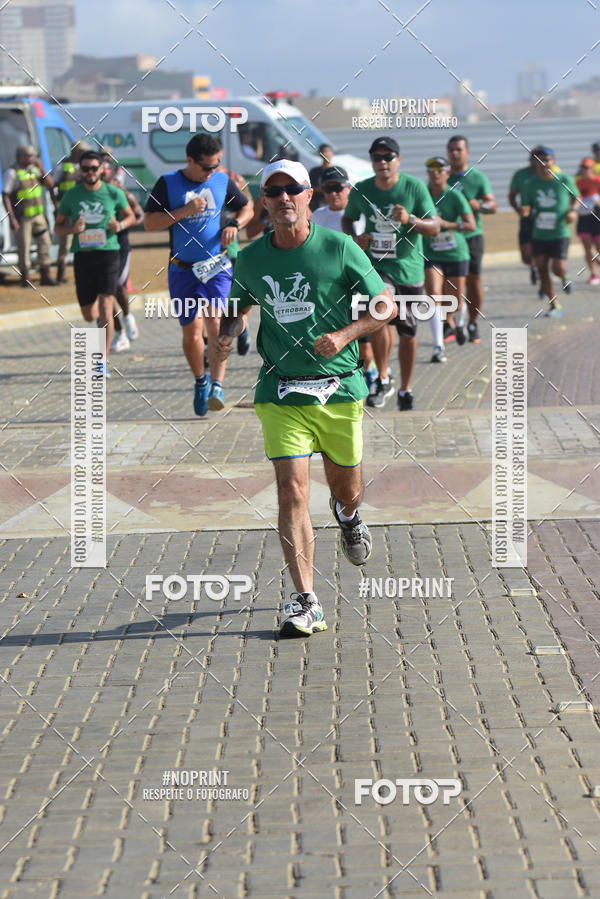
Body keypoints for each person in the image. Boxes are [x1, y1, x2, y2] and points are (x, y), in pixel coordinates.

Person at [217, 160, 394, 638]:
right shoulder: (251, 259)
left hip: (340, 387)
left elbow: (385, 305)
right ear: (264, 202)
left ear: (308, 195)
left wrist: (347, 334)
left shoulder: (337, 248)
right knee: (292, 490)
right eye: (272, 192)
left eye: (291, 189)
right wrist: (226, 334)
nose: (282, 199)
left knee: (346, 488)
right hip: (280, 388)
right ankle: (305, 600)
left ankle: (350, 515)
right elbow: (237, 309)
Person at [143, 134, 253, 415]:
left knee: (215, 324)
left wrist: (235, 225)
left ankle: (218, 384)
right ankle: (200, 381)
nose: (211, 172)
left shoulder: (219, 180)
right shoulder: (168, 183)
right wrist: (183, 211)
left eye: (216, 165)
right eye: (206, 167)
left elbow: (246, 207)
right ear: (190, 160)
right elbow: (150, 223)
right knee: (192, 333)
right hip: (182, 269)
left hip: (216, 267)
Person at [342, 136, 439, 411]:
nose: (382, 163)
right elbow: (347, 217)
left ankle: (405, 388)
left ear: (399, 160)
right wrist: (355, 238)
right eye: (376, 158)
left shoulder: (414, 187)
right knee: (380, 312)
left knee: (408, 333)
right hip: (378, 267)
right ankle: (383, 377)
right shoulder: (361, 189)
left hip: (409, 270)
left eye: (388, 157)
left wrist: (410, 220)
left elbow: (435, 228)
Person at [54, 150, 136, 375]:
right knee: (89, 314)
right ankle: (102, 321)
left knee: (106, 305)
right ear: (80, 171)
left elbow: (131, 216)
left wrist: (119, 226)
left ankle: (101, 361)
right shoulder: (71, 196)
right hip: (83, 256)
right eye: (86, 169)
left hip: (109, 254)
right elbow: (57, 226)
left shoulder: (113, 192)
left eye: (94, 168)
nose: (90, 172)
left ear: (101, 169)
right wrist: (73, 229)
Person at [311, 166, 375, 392]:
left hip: (356, 285)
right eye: (328, 189)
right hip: (329, 288)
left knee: (362, 339)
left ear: (349, 188)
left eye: (338, 187)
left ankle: (372, 372)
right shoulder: (318, 216)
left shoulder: (358, 216)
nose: (334, 193)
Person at [423, 156, 476, 362]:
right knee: (434, 295)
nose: (435, 173)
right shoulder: (423, 194)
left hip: (455, 253)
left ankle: (459, 323)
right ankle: (438, 346)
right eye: (431, 169)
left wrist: (446, 224)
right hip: (432, 253)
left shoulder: (454, 196)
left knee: (454, 300)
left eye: (439, 169)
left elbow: (470, 224)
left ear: (447, 173)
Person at [447, 135, 497, 343]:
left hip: (472, 236)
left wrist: (481, 206)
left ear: (467, 152)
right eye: (451, 150)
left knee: (473, 281)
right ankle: (449, 325)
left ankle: (473, 322)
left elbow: (492, 206)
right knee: (449, 284)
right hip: (449, 238)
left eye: (459, 149)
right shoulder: (442, 177)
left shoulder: (477, 177)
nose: (455, 153)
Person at [520, 146, 578, 317]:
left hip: (560, 233)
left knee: (557, 268)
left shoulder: (564, 180)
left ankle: (565, 275)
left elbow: (575, 197)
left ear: (553, 161)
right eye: (539, 160)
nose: (543, 164)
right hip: (539, 234)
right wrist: (525, 212)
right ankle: (555, 305)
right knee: (542, 268)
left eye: (546, 160)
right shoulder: (530, 184)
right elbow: (526, 206)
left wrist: (573, 211)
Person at [101, 159, 143, 351]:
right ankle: (120, 333)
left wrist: (123, 225)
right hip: (100, 249)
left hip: (121, 247)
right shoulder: (93, 194)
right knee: (105, 293)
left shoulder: (123, 194)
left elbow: (140, 216)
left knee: (117, 286)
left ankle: (127, 317)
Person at [2, 144, 56, 287]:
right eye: (30, 156)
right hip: (23, 217)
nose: (33, 158)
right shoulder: (12, 173)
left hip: (38, 215)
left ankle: (45, 274)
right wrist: (12, 219)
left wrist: (41, 167)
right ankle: (25, 278)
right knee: (24, 247)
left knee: (45, 243)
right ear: (22, 157)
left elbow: (50, 183)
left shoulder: (35, 171)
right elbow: (6, 195)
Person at [52, 140, 91, 283]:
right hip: (67, 211)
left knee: (84, 242)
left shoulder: (84, 167)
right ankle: (60, 274)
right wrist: (56, 206)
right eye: (82, 151)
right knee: (65, 244)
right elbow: (51, 185)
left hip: (82, 211)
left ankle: (83, 272)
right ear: (75, 151)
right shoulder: (62, 165)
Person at [508, 148, 542, 288]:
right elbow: (512, 195)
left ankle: (542, 273)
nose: (539, 162)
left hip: (544, 218)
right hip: (527, 217)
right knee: (526, 255)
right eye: (536, 159)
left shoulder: (551, 173)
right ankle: (534, 266)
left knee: (542, 252)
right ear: (530, 160)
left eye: (543, 159)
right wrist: (518, 210)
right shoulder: (521, 175)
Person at [574, 157, 600, 284]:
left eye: (587, 168)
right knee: (587, 246)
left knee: (598, 245)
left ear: (592, 168)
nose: (584, 170)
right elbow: (572, 197)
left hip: (597, 216)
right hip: (584, 218)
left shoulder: (597, 181)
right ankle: (594, 273)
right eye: (582, 167)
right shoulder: (577, 182)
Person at [308, 143, 334, 211]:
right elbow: (309, 186)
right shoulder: (314, 172)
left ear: (332, 153)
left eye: (327, 151)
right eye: (323, 152)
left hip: (333, 204)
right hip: (317, 205)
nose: (325, 154)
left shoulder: (336, 171)